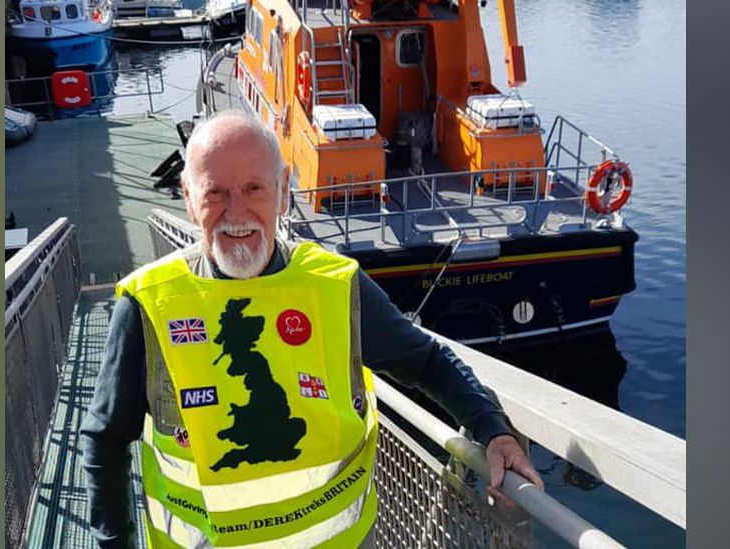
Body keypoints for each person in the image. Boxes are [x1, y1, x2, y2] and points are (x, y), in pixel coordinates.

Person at [80, 111, 544, 549]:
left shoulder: (336, 287)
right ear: (187, 196)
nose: (236, 212)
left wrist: (493, 431)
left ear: (284, 190)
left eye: (254, 188)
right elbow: (105, 439)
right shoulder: (150, 303)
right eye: (215, 192)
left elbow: (426, 361)